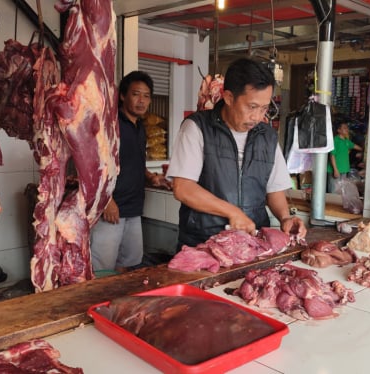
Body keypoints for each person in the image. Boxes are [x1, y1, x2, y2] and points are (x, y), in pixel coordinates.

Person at [167, 58, 307, 249]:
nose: (258, 117)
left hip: (253, 244)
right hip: (204, 244)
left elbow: (274, 189)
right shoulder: (197, 128)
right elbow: (183, 188)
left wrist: (285, 217)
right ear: (229, 98)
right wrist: (232, 212)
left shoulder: (267, 136)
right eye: (252, 107)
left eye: (264, 108)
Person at [90, 71, 171, 273]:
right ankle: (96, 305)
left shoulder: (140, 126)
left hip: (134, 209)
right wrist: (107, 201)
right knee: (102, 270)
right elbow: (93, 164)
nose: (141, 101)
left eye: (146, 95)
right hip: (109, 210)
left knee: (129, 266)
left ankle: (119, 305)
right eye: (136, 94)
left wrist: (151, 177)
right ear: (124, 96)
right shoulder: (111, 124)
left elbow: (134, 162)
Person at [327, 122, 363, 193]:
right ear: (339, 130)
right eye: (344, 128)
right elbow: (332, 155)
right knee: (333, 192)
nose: (347, 129)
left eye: (347, 128)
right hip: (335, 171)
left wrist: (364, 151)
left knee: (341, 191)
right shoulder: (335, 140)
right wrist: (335, 170)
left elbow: (358, 147)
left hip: (344, 171)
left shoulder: (346, 141)